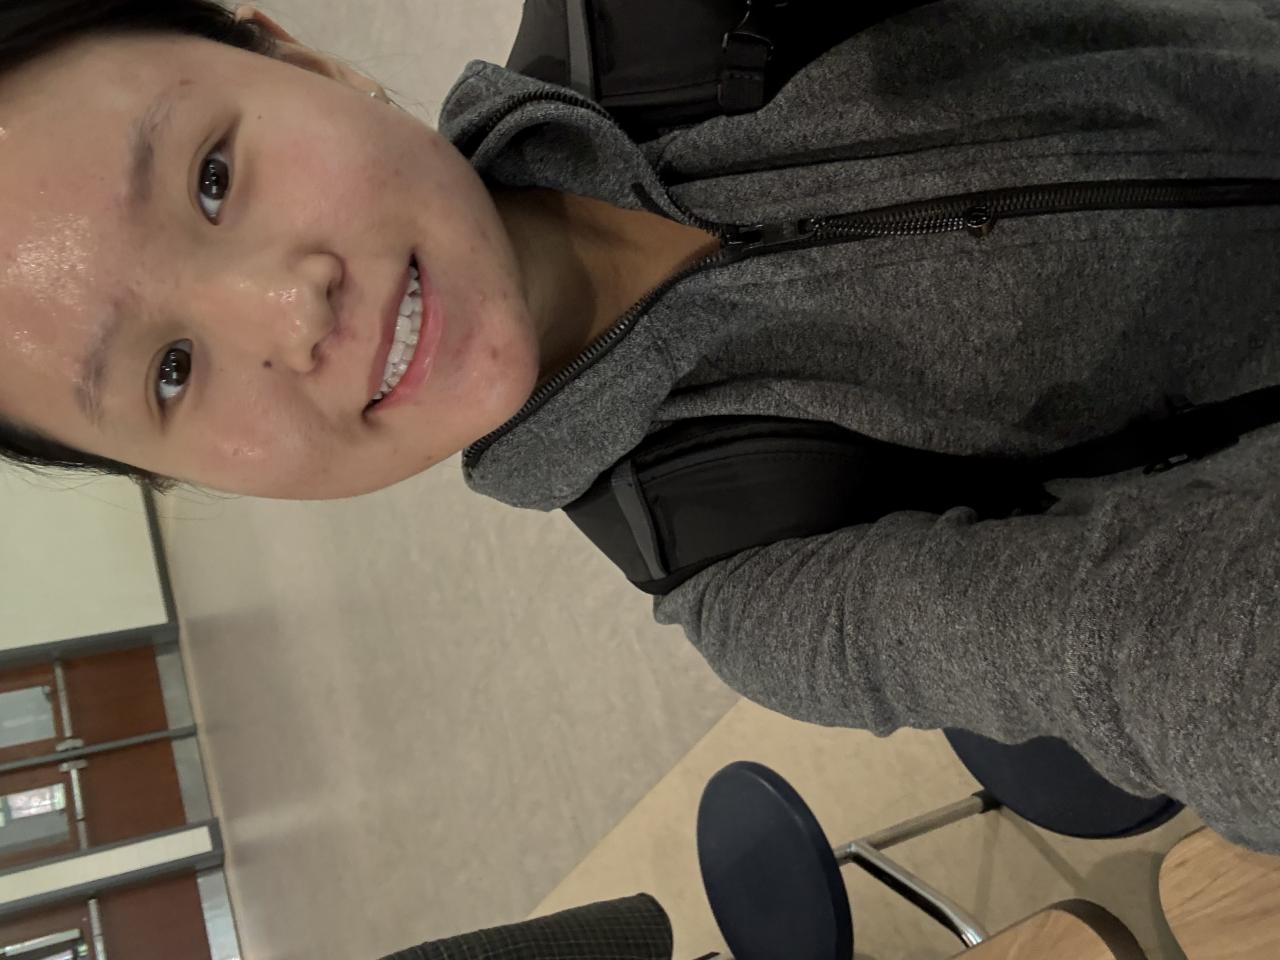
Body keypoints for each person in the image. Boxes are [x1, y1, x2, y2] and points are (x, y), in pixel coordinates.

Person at [2, 0, 1280, 853]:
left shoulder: (648, 19)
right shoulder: (753, 568)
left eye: (212, 177)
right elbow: (1154, 654)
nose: (291, 310)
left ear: (296, 60)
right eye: (171, 373)